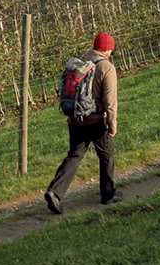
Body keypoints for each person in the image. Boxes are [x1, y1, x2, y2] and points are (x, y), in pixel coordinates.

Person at [45, 32, 122, 214]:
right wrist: (112, 125)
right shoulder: (106, 67)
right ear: (107, 49)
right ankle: (108, 194)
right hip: (95, 120)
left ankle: (54, 192)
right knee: (107, 155)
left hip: (75, 119)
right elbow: (110, 100)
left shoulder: (78, 62)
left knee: (74, 155)